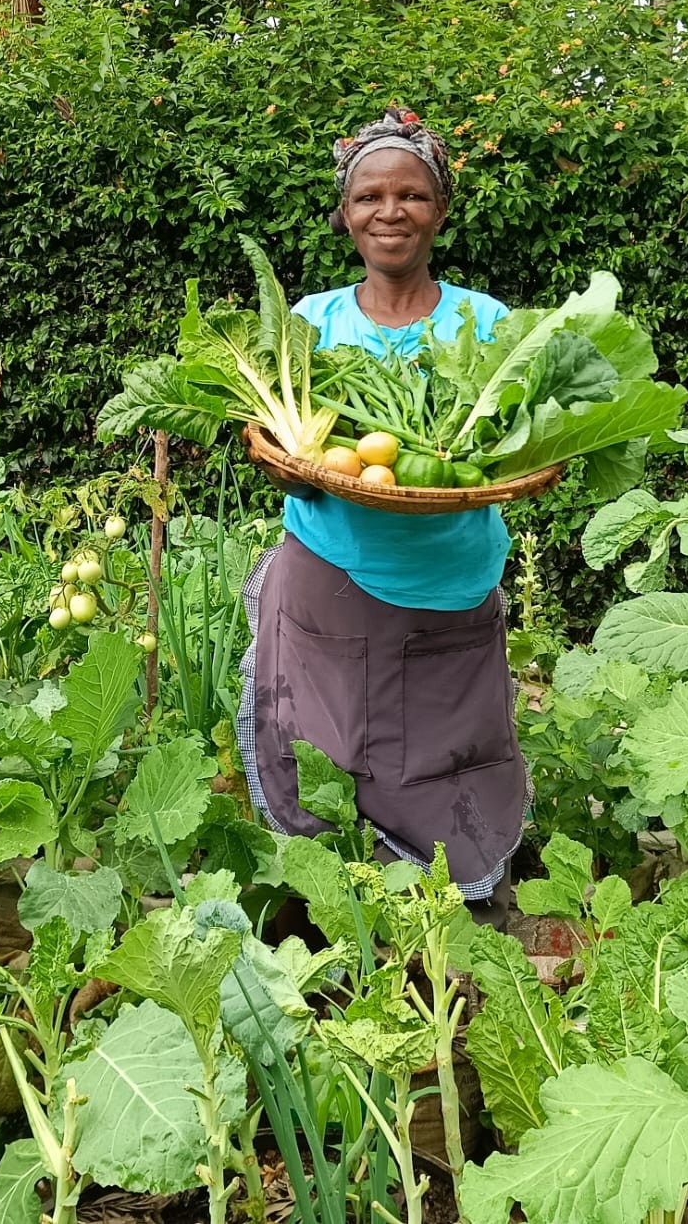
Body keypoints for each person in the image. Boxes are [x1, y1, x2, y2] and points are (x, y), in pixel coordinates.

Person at [236, 105, 526, 917]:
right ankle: (331, 911)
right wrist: (302, 473)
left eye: (410, 195)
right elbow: (280, 451)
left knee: (450, 751)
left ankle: (465, 910)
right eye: (368, 197)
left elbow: (517, 447)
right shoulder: (308, 323)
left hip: (450, 582)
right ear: (344, 213)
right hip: (327, 574)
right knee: (320, 746)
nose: (388, 212)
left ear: (439, 210)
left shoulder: (488, 322)